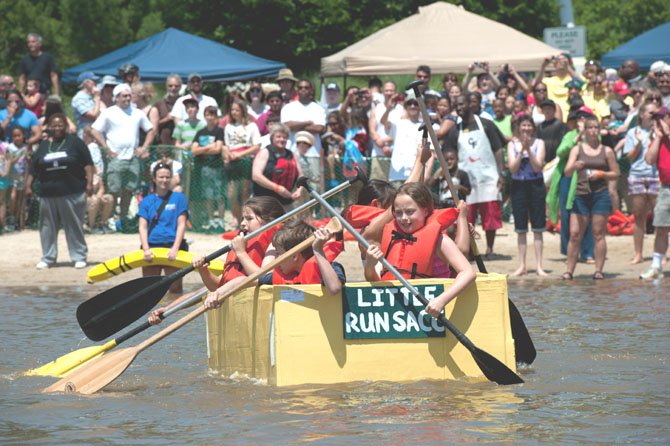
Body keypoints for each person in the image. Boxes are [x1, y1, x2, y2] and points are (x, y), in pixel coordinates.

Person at [148, 196, 285, 324]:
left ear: (270, 220)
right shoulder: (244, 244)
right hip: (239, 303)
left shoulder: (275, 243)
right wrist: (203, 270)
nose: (242, 223)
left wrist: (241, 252)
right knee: (202, 292)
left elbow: (264, 277)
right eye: (243, 218)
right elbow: (215, 287)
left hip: (261, 307)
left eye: (249, 219)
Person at [363, 182, 476, 318]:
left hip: (431, 310)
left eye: (410, 212)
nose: (404, 218)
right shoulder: (391, 237)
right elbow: (374, 279)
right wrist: (369, 265)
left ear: (425, 211)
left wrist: (441, 300)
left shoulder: (439, 240)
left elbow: (468, 272)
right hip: (398, 312)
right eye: (398, 213)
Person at [25, 114, 93, 269]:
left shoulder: (75, 142)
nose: (57, 128)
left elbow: (88, 164)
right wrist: (28, 186)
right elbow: (33, 168)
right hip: (47, 193)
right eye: (54, 125)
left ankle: (78, 256)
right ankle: (48, 257)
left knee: (73, 225)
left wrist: (89, 183)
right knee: (47, 227)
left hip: (72, 191)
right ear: (48, 127)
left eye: (60, 125)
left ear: (66, 126)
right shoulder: (43, 145)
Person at [444, 93, 505, 257]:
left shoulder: (487, 125)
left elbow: (498, 150)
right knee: (466, 216)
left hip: (488, 177)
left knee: (489, 217)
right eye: (456, 106)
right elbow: (449, 152)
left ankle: (490, 249)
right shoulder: (454, 131)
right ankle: (470, 250)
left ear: (471, 105)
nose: (460, 108)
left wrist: (501, 173)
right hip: (466, 181)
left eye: (462, 104)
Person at [563, 116, 620, 279]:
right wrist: (575, 166)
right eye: (590, 128)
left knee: (598, 233)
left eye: (596, 127)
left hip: (600, 195)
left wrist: (602, 174)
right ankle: (569, 271)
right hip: (581, 194)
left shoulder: (607, 151)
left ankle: (598, 270)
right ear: (585, 130)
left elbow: (616, 173)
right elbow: (567, 172)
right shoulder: (577, 149)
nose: (593, 131)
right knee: (574, 234)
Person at [91, 83, 155, 219]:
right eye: (124, 96)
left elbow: (150, 130)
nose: (127, 98)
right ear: (117, 98)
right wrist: (106, 148)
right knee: (113, 189)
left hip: (133, 158)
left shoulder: (137, 113)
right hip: (116, 158)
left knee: (129, 189)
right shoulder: (109, 112)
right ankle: (110, 217)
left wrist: (144, 147)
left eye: (129, 95)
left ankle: (124, 217)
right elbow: (95, 130)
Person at [138, 163, 189, 294]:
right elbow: (142, 227)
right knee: (149, 289)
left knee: (175, 289)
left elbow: (181, 224)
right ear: (154, 179)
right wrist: (146, 249)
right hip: (152, 247)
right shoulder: (147, 200)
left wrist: (175, 248)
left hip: (172, 246)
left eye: (167, 177)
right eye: (161, 177)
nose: (164, 180)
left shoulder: (179, 198)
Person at [506, 114, 547, 276]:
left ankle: (539, 265)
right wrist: (521, 149)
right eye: (523, 126)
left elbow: (538, 167)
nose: (526, 129)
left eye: (529, 126)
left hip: (535, 185)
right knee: (521, 228)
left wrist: (529, 149)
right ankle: (522, 265)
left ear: (533, 128)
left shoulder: (539, 143)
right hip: (519, 186)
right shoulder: (511, 145)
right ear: (518, 127)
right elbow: (512, 168)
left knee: (538, 227)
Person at [622, 102, 659, 264]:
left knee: (660, 218)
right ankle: (638, 254)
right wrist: (638, 143)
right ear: (642, 115)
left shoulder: (661, 132)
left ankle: (660, 254)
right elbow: (629, 158)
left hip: (656, 176)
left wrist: (656, 137)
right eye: (651, 113)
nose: (653, 116)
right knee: (638, 217)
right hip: (637, 175)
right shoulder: (632, 132)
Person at [640, 106, 670, 279]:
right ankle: (656, 266)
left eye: (662, 118)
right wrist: (659, 138)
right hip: (666, 188)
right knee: (661, 227)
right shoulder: (658, 138)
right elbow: (649, 159)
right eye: (657, 119)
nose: (659, 122)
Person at [223, 99, 261, 227]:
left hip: (245, 161)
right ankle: (237, 218)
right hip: (232, 161)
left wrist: (240, 154)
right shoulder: (228, 126)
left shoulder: (251, 126)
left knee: (245, 192)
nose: (234, 112)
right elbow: (227, 145)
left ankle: (247, 220)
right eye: (232, 110)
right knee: (232, 193)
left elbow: (256, 146)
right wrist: (228, 155)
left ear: (243, 111)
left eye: (237, 110)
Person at [252, 123, 302, 207]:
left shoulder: (292, 155)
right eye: (278, 137)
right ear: (272, 138)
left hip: (286, 203)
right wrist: (277, 188)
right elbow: (256, 176)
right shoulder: (265, 152)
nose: (282, 139)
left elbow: (301, 175)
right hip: (265, 202)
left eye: (284, 137)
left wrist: (299, 190)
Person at [191, 105, 225, 230]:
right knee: (208, 195)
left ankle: (220, 221)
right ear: (204, 116)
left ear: (216, 117)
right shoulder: (200, 132)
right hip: (204, 169)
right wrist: (207, 147)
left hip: (217, 168)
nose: (210, 117)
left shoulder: (219, 131)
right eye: (208, 114)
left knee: (220, 195)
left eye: (212, 115)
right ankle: (211, 221)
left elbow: (218, 149)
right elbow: (193, 150)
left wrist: (202, 150)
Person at [281, 79, 326, 164]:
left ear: (311, 90)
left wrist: (295, 126)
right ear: (297, 90)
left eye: (306, 87)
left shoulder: (319, 109)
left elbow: (319, 128)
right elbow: (286, 126)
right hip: (292, 153)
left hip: (313, 154)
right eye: (300, 87)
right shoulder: (288, 108)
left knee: (314, 178)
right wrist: (306, 123)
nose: (303, 89)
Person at [83, 127, 114, 234]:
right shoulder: (82, 175)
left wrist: (100, 196)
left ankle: (102, 224)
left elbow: (101, 188)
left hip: (95, 197)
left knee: (108, 198)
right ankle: (91, 226)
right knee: (94, 200)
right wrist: (94, 197)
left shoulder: (96, 175)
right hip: (84, 199)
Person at [6, 127, 29, 231]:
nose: (17, 138)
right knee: (13, 195)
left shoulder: (26, 147)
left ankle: (18, 219)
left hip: (22, 175)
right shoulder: (10, 147)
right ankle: (11, 217)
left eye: (19, 135)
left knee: (20, 197)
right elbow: (10, 162)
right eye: (14, 136)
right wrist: (20, 154)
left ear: (23, 136)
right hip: (12, 174)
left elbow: (28, 162)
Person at [153, 74, 181, 145]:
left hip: (181, 143)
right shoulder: (159, 104)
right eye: (170, 86)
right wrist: (166, 119)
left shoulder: (185, 103)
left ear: (180, 87)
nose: (173, 88)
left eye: (176, 86)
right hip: (163, 144)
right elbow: (152, 126)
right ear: (166, 87)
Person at [71, 71, 101, 137]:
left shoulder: (91, 97)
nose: (96, 83)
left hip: (96, 132)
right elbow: (93, 116)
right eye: (93, 81)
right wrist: (97, 98)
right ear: (86, 83)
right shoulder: (79, 98)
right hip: (86, 135)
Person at [0, 139, 11, 233]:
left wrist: (6, 171)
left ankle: (1, 224)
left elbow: (9, 158)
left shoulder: (5, 146)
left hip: (2, 176)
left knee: (2, 200)